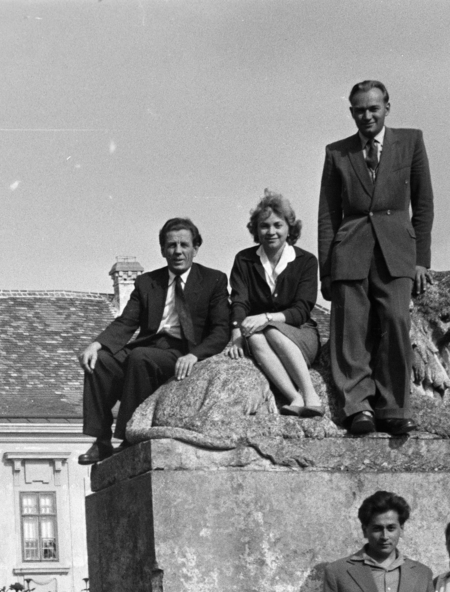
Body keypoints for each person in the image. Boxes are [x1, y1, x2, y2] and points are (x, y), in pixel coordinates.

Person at [317, 79, 434, 437]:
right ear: (351, 112)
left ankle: (393, 407)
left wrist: (421, 260)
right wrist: (327, 270)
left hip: (397, 251)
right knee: (351, 331)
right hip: (350, 252)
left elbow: (423, 203)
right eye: (359, 110)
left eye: (373, 108)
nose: (367, 116)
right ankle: (358, 408)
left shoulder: (410, 142)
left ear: (387, 107)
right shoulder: (337, 153)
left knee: (396, 324)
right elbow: (327, 215)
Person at [77, 217, 231, 464]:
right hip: (149, 346)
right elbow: (127, 321)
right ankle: (102, 440)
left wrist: (195, 355)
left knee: (140, 357)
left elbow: (221, 330)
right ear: (162, 250)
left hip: (184, 351)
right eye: (171, 245)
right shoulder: (148, 282)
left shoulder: (214, 280)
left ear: (196, 248)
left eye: (184, 245)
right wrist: (97, 344)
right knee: (101, 362)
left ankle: (130, 436)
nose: (178, 251)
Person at [222, 190, 324, 417]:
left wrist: (267, 318)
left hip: (300, 332)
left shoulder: (306, 261)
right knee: (257, 337)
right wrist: (236, 334)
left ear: (290, 228)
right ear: (256, 230)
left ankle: (311, 395)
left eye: (278, 225)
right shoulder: (244, 259)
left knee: (272, 331)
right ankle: (294, 398)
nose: (271, 232)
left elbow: (301, 310)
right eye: (264, 226)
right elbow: (239, 300)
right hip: (258, 333)